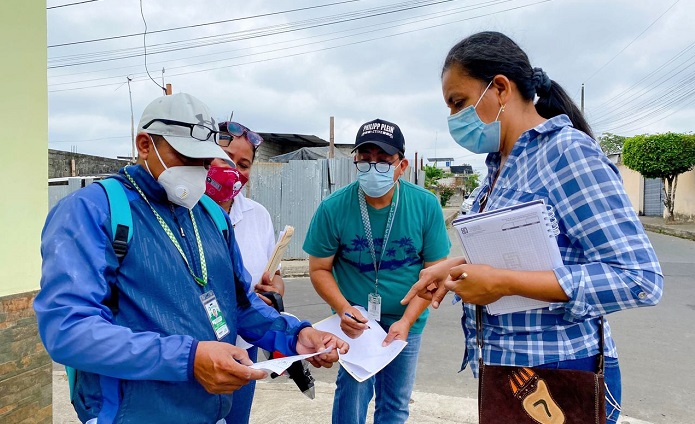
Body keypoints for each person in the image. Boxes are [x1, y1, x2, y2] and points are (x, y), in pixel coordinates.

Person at [34, 93, 347, 424]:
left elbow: (239, 305)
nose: (198, 170)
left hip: (212, 411)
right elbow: (68, 330)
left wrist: (295, 335)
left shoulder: (211, 215)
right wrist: (189, 358)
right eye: (186, 156)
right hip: (132, 414)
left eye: (204, 160)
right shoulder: (92, 211)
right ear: (144, 145)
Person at [401, 31, 663, 424]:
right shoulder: (496, 168)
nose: (454, 118)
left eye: (458, 103)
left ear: (501, 88)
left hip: (560, 372)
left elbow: (638, 278)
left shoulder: (566, 152)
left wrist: (503, 283)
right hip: (505, 371)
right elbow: (526, 249)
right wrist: (456, 267)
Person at [303, 118, 450, 424]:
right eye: (365, 160)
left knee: (394, 404)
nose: (373, 168)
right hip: (354, 322)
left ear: (402, 165)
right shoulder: (333, 208)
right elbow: (319, 269)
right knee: (351, 396)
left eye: (383, 161)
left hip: (405, 322)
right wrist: (344, 309)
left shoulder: (425, 206)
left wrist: (408, 321)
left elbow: (434, 273)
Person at [204, 120, 284, 423]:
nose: (233, 169)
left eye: (243, 164)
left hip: (243, 350)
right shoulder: (180, 213)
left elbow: (272, 276)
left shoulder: (257, 216)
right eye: (224, 159)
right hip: (194, 353)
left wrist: (274, 293)